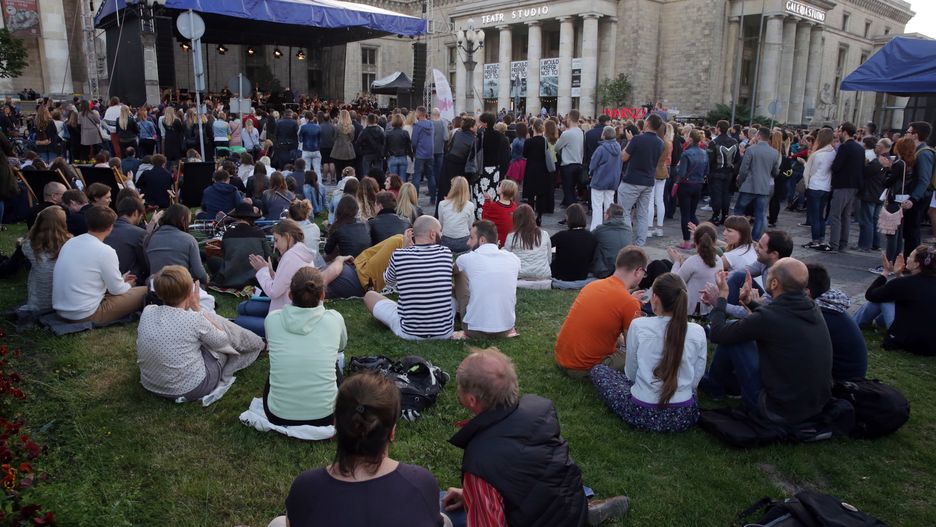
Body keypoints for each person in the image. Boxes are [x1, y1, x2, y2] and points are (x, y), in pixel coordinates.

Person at [442, 348, 629, 527]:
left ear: (471, 400)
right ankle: (586, 507)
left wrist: (477, 497)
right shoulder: (540, 409)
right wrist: (469, 495)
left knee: (434, 507)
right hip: (570, 509)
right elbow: (530, 472)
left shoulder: (479, 461)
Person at [270, 373, 447, 527]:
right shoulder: (421, 483)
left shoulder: (305, 488)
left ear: (335, 425)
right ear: (392, 431)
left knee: (278, 523)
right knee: (445, 520)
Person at [706, 258, 833, 425]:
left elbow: (717, 333)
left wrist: (721, 297)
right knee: (736, 330)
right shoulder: (811, 308)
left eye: (769, 274)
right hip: (813, 406)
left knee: (734, 335)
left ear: (774, 284)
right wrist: (750, 303)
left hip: (775, 410)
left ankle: (715, 386)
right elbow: (778, 319)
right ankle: (721, 384)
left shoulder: (770, 317)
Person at [591, 273, 707, 432]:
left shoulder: (639, 326)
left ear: (656, 299)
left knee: (599, 371)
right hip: (683, 415)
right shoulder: (698, 331)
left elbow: (631, 374)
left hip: (642, 413)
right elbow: (695, 380)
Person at [136, 266, 263, 400]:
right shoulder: (194, 319)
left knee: (206, 332)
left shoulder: (148, 311)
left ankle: (256, 342)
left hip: (150, 384)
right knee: (220, 337)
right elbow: (223, 341)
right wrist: (198, 309)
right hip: (190, 389)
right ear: (188, 292)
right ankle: (258, 343)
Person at [554, 246, 647, 376]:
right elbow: (632, 345)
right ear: (638, 271)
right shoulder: (628, 302)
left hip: (562, 358)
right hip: (584, 367)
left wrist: (630, 302)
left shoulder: (593, 285)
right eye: (644, 273)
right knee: (640, 355)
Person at [364, 216, 454, 340]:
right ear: (433, 234)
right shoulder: (446, 253)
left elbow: (389, 282)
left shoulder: (399, 255)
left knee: (370, 296)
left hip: (409, 332)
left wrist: (404, 249)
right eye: (440, 231)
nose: (441, 235)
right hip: (444, 332)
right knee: (451, 291)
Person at [52, 206, 147, 324]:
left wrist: (120, 280)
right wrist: (128, 284)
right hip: (85, 314)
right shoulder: (105, 251)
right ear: (110, 226)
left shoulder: (70, 242)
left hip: (61, 311)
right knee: (146, 291)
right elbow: (117, 290)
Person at [232, 220, 317, 338]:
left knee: (240, 320)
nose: (275, 246)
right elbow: (287, 282)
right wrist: (272, 273)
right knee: (243, 308)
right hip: (291, 312)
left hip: (286, 322)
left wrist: (262, 271)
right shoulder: (300, 253)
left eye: (276, 240)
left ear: (287, 236)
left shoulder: (290, 257)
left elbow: (274, 292)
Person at [857, 246, 936, 355]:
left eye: (910, 256)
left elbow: (871, 295)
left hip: (909, 341)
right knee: (890, 296)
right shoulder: (918, 283)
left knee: (884, 299)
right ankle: (874, 323)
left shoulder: (905, 283)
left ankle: (854, 323)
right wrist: (898, 275)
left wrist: (885, 271)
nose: (907, 258)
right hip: (932, 345)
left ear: (917, 264)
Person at [453, 220, 521, 338]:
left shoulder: (465, 259)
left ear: (482, 240)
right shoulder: (514, 258)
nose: (468, 243)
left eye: (471, 238)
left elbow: (451, 271)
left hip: (473, 329)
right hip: (506, 328)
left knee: (459, 272)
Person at [805, 263, 868, 380]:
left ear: (806, 292)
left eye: (792, 284)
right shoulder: (827, 305)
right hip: (846, 375)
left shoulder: (818, 315)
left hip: (841, 383)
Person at [618, 114, 665, 246]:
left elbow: (623, 157)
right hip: (648, 181)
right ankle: (640, 244)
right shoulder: (660, 142)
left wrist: (629, 142)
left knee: (624, 212)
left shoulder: (637, 139)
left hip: (632, 180)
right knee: (643, 214)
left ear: (647, 123)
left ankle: (626, 243)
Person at [207, 203, 272, 289]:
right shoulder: (259, 233)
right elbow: (269, 256)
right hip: (255, 279)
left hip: (230, 278)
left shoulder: (228, 234)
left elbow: (225, 255)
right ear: (252, 218)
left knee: (213, 260)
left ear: (236, 217)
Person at [20, 206, 71, 315]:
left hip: (38, 303)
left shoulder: (28, 245)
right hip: (65, 301)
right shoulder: (71, 243)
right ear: (63, 223)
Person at [733, 127, 780, 241]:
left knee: (739, 211)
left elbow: (744, 169)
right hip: (764, 186)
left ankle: (737, 235)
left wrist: (740, 182)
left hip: (749, 185)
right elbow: (775, 171)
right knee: (761, 214)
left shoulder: (751, 149)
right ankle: (756, 239)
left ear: (759, 136)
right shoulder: (774, 152)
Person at [668, 222, 723, 317]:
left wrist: (676, 262)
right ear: (714, 242)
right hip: (710, 309)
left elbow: (674, 282)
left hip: (690, 311)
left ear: (695, 242)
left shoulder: (693, 261)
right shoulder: (719, 260)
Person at [144, 203, 208, 284]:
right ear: (182, 219)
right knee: (200, 284)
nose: (188, 225)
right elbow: (199, 273)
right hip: (179, 287)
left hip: (155, 286)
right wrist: (206, 278)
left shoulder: (150, 238)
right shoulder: (189, 239)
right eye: (188, 221)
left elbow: (148, 265)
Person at [827, 122, 864, 252]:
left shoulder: (845, 147)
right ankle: (843, 243)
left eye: (839, 131)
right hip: (854, 186)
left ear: (845, 132)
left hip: (842, 185)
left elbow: (836, 166)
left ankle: (834, 244)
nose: (837, 133)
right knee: (846, 216)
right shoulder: (860, 148)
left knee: (836, 215)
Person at [674, 130, 710, 249]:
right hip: (698, 184)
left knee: (685, 214)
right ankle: (700, 237)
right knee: (692, 213)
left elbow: (682, 173)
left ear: (690, 139)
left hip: (686, 185)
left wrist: (677, 178)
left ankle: (686, 241)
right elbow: (706, 171)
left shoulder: (686, 153)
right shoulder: (704, 153)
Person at [802, 128, 836, 251]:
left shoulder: (817, 154)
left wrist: (807, 185)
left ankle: (815, 240)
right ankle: (821, 239)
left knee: (814, 215)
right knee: (821, 215)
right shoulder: (833, 152)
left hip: (815, 186)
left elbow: (809, 172)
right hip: (826, 187)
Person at [550, 203, 598, 287]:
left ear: (568, 218)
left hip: (560, 274)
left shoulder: (561, 236)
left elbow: (546, 245)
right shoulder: (591, 237)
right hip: (582, 275)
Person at [104, 197, 149, 285]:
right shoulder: (139, 233)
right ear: (136, 213)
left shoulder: (105, 229)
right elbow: (146, 265)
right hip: (125, 282)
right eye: (141, 215)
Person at [856, 138, 891, 252]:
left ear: (881, 147)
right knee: (874, 220)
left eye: (877, 145)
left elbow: (865, 173)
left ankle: (865, 245)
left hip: (870, 193)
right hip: (880, 194)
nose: (875, 147)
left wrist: (865, 164)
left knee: (867, 220)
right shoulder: (889, 160)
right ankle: (876, 244)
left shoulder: (879, 161)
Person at [505, 204, 552, 284]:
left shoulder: (511, 237)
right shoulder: (544, 234)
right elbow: (549, 259)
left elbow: (506, 260)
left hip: (519, 276)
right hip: (543, 277)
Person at [588, 126, 623, 231]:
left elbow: (593, 164)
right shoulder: (618, 147)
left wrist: (591, 173)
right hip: (613, 180)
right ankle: (609, 227)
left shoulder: (601, 148)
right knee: (609, 205)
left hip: (600, 179)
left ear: (604, 135)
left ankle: (596, 228)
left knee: (597, 206)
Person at [708, 120, 740, 225]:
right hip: (729, 172)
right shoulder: (735, 142)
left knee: (716, 194)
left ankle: (716, 215)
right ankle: (725, 215)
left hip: (716, 172)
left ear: (718, 128)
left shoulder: (714, 142)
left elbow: (709, 159)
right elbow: (737, 158)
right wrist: (732, 169)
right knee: (726, 194)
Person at [590, 204, 633, 279]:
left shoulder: (601, 230)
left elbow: (588, 239)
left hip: (605, 271)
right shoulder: (628, 229)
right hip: (625, 269)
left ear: (607, 215)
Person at [522, 118, 552, 224]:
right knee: (540, 194)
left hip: (531, 168)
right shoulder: (544, 141)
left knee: (530, 194)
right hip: (542, 169)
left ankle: (530, 216)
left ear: (533, 128)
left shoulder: (529, 141)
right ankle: (539, 216)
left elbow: (524, 154)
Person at [554, 109, 585, 207]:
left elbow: (556, 147)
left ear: (570, 118)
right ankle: (571, 212)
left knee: (568, 191)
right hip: (578, 163)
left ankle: (573, 214)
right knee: (572, 190)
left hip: (568, 165)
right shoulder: (580, 131)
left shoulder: (567, 133)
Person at [648, 123, 674, 237]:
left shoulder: (655, 142)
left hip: (653, 171)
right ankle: (659, 227)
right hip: (663, 170)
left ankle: (649, 228)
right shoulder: (668, 142)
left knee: (650, 201)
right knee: (659, 200)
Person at [324, 196, 370, 260]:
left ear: (339, 210)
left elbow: (327, 250)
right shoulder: (365, 225)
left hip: (348, 264)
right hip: (364, 262)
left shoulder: (338, 229)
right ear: (356, 210)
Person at [437, 176, 476, 253]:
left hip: (447, 241)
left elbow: (440, 224)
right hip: (464, 241)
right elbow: (470, 226)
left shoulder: (442, 204)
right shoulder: (470, 205)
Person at [480, 179, 518, 247]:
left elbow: (484, 218)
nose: (498, 187)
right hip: (511, 240)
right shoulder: (514, 205)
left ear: (503, 190)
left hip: (498, 242)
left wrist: (487, 201)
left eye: (500, 186)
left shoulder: (495, 206)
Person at [385, 113, 412, 183]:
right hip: (403, 157)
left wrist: (386, 156)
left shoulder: (388, 133)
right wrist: (411, 156)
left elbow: (385, 146)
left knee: (393, 180)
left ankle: (394, 193)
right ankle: (402, 193)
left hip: (392, 157)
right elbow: (409, 146)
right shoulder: (405, 133)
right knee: (402, 179)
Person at [298, 112, 322, 177]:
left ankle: (306, 184)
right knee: (317, 170)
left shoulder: (303, 127)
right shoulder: (318, 127)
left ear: (306, 118)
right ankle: (319, 184)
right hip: (316, 150)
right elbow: (320, 139)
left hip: (306, 150)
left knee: (306, 169)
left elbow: (300, 139)